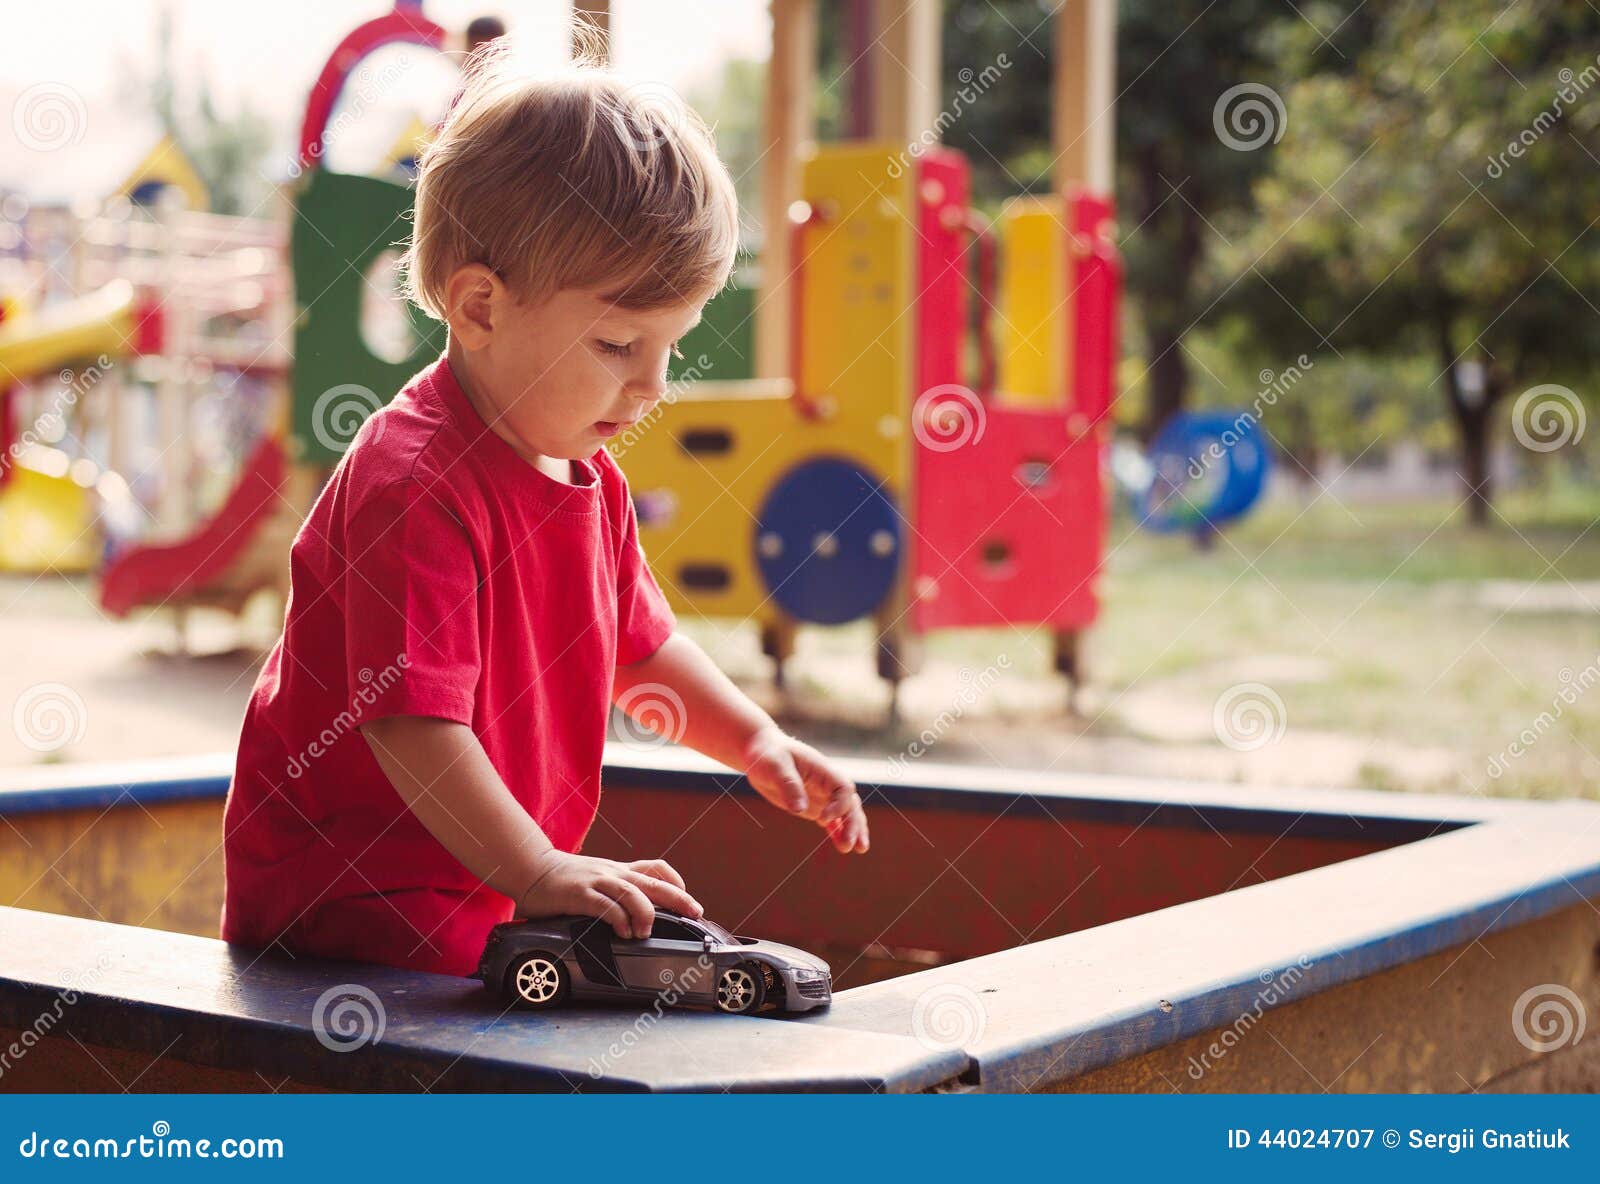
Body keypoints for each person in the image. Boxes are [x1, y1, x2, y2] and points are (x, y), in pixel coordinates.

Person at [220, 44, 869, 978]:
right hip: (354, 899)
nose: (651, 386)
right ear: (480, 306)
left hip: (486, 882)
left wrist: (754, 740)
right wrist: (539, 866)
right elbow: (410, 723)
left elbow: (640, 650)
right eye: (617, 344)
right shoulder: (417, 485)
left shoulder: (587, 475)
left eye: (669, 348)